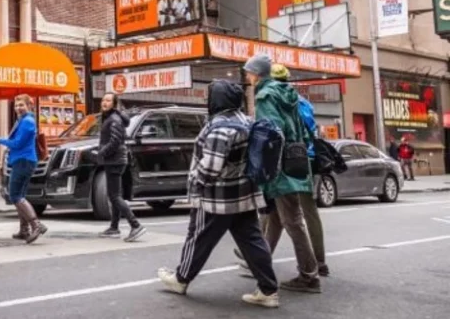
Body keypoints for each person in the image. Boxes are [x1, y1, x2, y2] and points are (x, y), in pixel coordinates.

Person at [158, 80, 279, 308]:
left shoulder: (221, 127)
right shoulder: (245, 120)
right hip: (244, 193)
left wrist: (195, 186)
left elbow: (211, 166)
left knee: (198, 239)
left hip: (217, 197)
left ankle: (181, 279)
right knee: (253, 242)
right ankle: (268, 289)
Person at [237, 64, 330, 278]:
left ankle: (309, 273)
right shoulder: (294, 98)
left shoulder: (266, 97)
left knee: (293, 219)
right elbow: (306, 132)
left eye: (250, 73)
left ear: (260, 75)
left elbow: (271, 134)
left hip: (281, 165)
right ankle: (262, 263)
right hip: (300, 160)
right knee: (280, 216)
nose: (248, 77)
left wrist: (262, 165)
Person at [0, 94, 47, 244]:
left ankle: (36, 225)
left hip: (23, 161)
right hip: (23, 161)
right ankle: (24, 230)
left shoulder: (28, 122)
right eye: (16, 105)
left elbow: (17, 144)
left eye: (21, 105)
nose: (18, 108)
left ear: (29, 105)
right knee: (20, 195)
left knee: (15, 195)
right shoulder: (22, 121)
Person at [94, 93, 147, 242]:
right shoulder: (110, 117)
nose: (104, 102)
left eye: (108, 100)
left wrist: (102, 152)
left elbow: (115, 141)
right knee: (115, 194)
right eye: (103, 100)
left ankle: (135, 225)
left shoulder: (114, 120)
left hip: (115, 161)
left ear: (114, 104)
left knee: (114, 196)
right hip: (116, 160)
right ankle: (114, 227)